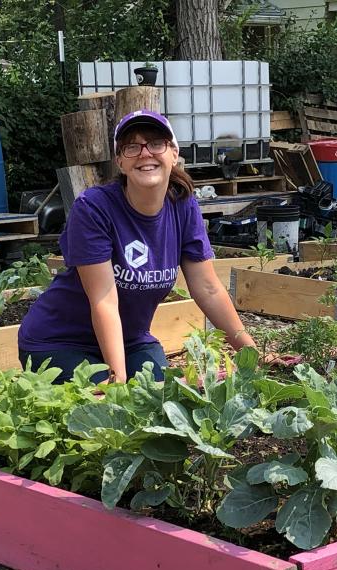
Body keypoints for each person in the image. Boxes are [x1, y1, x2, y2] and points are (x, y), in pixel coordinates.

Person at [17, 110, 256, 384]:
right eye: (132, 146)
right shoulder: (94, 208)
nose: (145, 153)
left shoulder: (183, 204)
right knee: (117, 410)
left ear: (174, 153)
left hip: (131, 341)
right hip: (59, 341)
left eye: (156, 143)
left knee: (161, 395)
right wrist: (117, 380)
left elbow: (209, 288)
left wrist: (250, 354)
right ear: (120, 161)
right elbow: (104, 300)